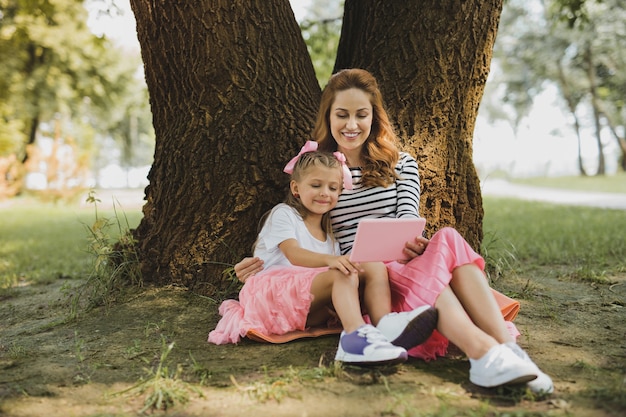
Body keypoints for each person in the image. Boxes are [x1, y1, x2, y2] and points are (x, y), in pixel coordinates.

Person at [233, 69, 554, 394]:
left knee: (449, 239)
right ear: (328, 117)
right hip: (365, 272)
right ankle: (485, 355)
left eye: (361, 114)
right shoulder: (322, 171)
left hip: (401, 257)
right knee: (410, 273)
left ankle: (509, 351)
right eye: (342, 115)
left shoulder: (401, 164)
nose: (351, 124)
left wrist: (413, 242)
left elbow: (407, 215)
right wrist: (261, 263)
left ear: (375, 117)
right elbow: (303, 223)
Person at [209, 145, 438, 365]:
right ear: (296, 188)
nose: (324, 194)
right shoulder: (284, 214)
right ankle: (354, 339)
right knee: (341, 272)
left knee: (372, 266)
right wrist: (333, 261)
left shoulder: (331, 237)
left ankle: (385, 326)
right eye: (316, 185)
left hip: (304, 309)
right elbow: (294, 254)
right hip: (270, 300)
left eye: (332, 188)